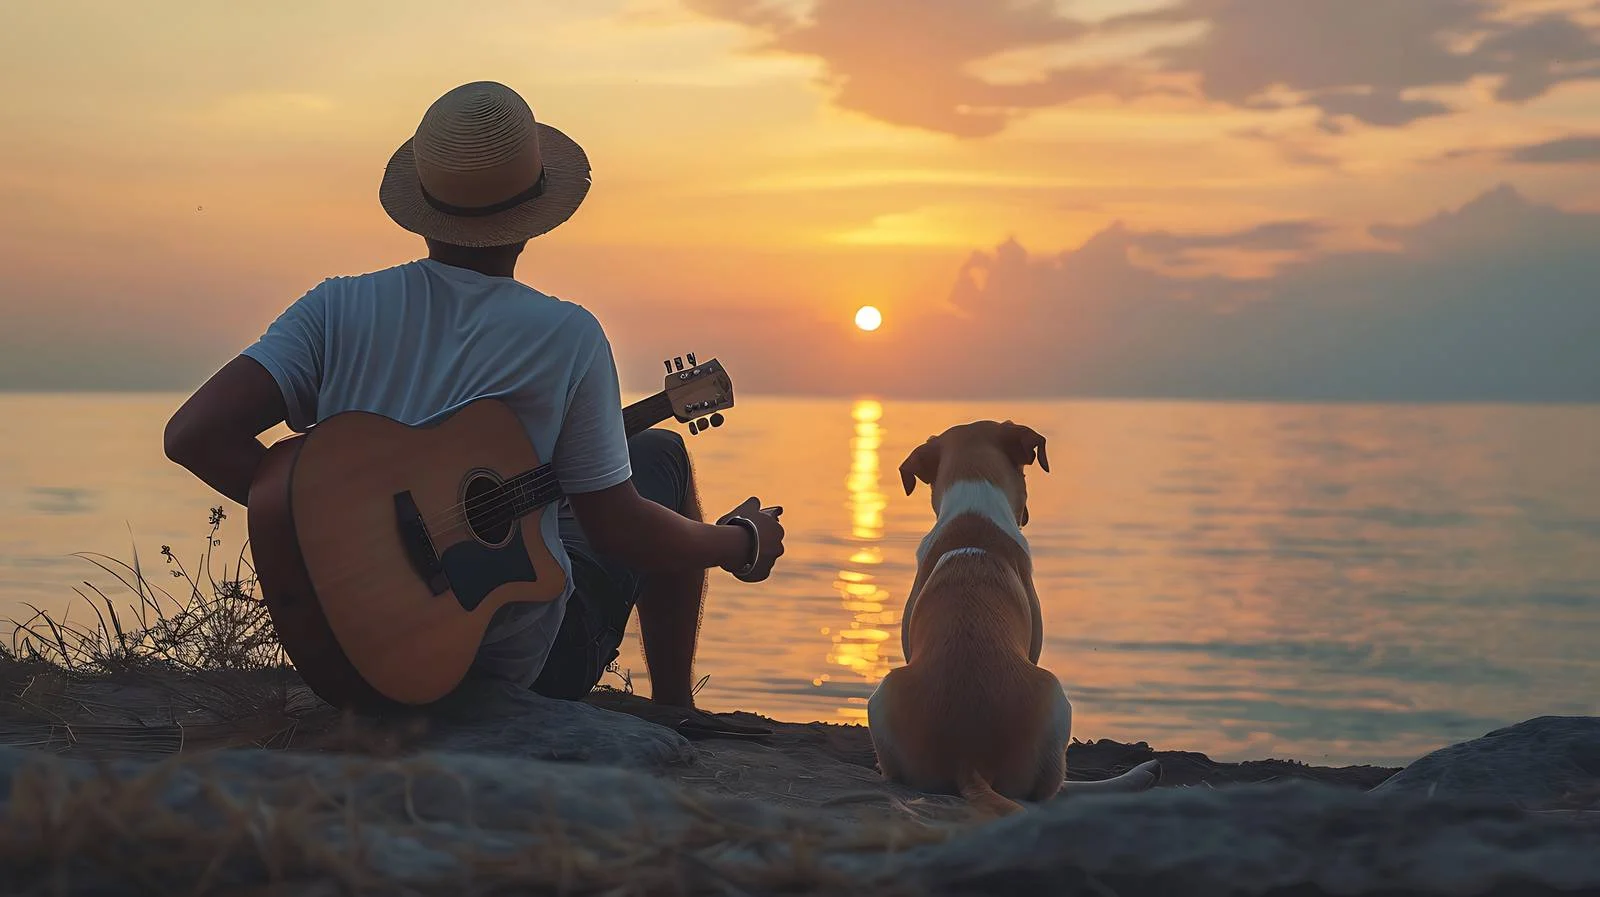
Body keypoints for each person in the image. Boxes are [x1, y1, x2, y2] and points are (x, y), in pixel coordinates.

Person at [162, 80, 785, 710]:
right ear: (535, 213)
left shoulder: (335, 306)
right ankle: (676, 713)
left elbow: (195, 436)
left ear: (427, 203)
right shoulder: (567, 334)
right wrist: (739, 542)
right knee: (660, 455)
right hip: (522, 667)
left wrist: (347, 540)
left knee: (577, 474)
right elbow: (622, 531)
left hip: (368, 651)